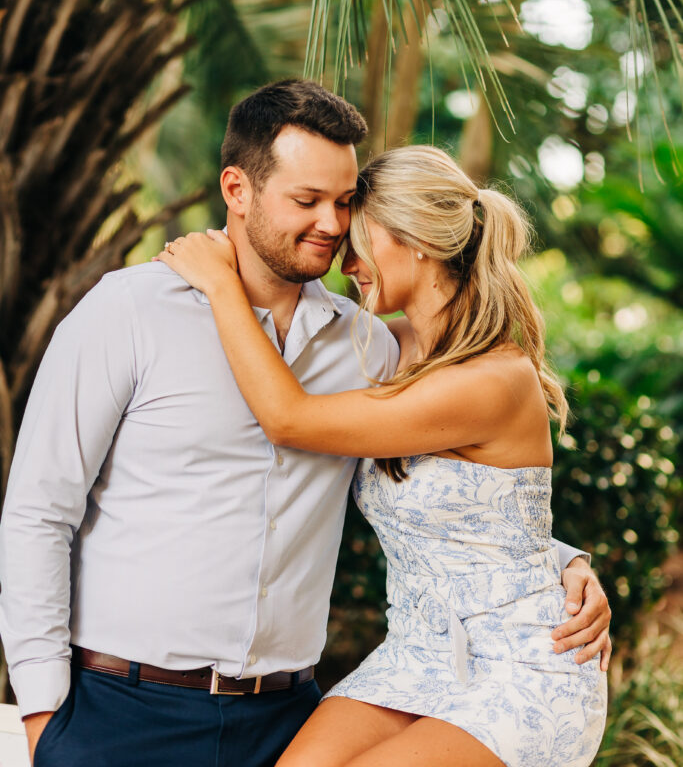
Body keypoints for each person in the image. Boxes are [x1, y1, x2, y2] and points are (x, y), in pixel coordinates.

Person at [0, 81, 609, 767]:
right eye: (306, 200)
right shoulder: (131, 313)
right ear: (236, 189)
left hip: (280, 711)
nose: (332, 227)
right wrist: (43, 711)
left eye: (345, 205)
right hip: (122, 709)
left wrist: (558, 564)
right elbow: (38, 511)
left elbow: (461, 469)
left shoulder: (367, 346)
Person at [155, 144, 609, 767]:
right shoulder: (394, 347)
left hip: (521, 661)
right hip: (418, 652)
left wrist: (218, 283)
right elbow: (494, 514)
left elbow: (290, 419)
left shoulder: (491, 378)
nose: (346, 263)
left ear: (413, 240)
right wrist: (567, 558)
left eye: (358, 237)